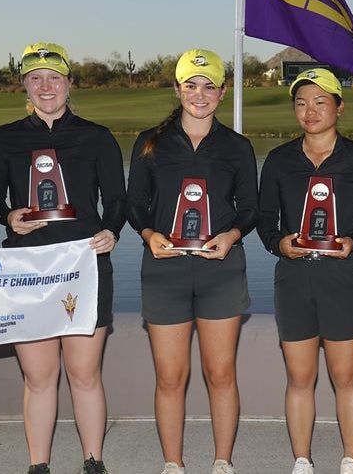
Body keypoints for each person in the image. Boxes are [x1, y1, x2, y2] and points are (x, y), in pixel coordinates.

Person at [0, 43, 125, 474]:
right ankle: (38, 465)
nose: (46, 87)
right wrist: (8, 216)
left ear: (69, 84)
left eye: (54, 78)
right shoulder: (4, 138)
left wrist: (111, 230)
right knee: (39, 377)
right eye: (35, 78)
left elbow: (117, 199)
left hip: (84, 264)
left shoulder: (97, 137)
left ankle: (93, 461)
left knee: (84, 374)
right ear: (24, 85)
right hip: (27, 269)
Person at [127, 49, 258, 474]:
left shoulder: (237, 146)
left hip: (221, 268)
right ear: (177, 89)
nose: (199, 94)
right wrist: (149, 234)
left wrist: (231, 236)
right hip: (164, 269)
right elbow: (135, 204)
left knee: (220, 373)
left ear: (222, 92)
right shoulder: (150, 142)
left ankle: (223, 462)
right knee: (170, 376)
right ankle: (173, 464)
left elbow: (250, 208)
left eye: (208, 86)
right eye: (190, 85)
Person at [257, 68, 353, 474]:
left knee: (345, 375)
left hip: (341, 276)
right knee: (300, 377)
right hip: (293, 277)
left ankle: (351, 460)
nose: (309, 111)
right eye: (301, 103)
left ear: (339, 107)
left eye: (319, 102)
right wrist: (278, 243)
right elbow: (265, 218)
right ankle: (302, 460)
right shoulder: (279, 160)